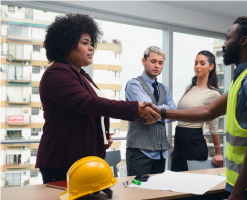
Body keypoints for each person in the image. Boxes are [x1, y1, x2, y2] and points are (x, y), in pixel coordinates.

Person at [142, 16, 247, 200]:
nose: (224, 44)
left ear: (244, 41)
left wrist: (237, 193)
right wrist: (161, 112)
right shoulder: (244, 78)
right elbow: (208, 111)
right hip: (244, 182)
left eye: (228, 38)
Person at [36, 14, 160, 184]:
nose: (91, 48)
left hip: (83, 158)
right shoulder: (56, 73)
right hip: (63, 160)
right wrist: (135, 108)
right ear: (66, 44)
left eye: (91, 43)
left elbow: (90, 111)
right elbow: (88, 103)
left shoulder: (80, 74)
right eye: (85, 43)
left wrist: (102, 137)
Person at [125, 46, 176, 176]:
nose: (157, 66)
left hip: (160, 152)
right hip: (139, 152)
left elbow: (174, 113)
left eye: (160, 62)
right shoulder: (134, 84)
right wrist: (165, 109)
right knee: (138, 193)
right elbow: (147, 111)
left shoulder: (164, 88)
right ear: (144, 61)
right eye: (153, 61)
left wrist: (155, 110)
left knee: (156, 193)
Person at [171, 50, 223, 172]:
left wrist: (218, 153)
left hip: (194, 141)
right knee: (175, 184)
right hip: (179, 140)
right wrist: (176, 146)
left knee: (193, 183)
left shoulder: (214, 93)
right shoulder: (189, 88)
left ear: (211, 66)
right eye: (196, 63)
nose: (197, 66)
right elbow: (182, 117)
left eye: (202, 63)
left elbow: (213, 126)